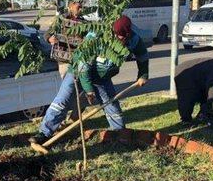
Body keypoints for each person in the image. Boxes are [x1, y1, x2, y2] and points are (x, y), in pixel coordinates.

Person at [30, 15, 148, 144]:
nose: (122, 40)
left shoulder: (134, 39)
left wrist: (143, 74)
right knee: (62, 101)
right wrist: (89, 91)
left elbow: (142, 55)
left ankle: (119, 134)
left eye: (125, 37)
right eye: (119, 37)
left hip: (102, 77)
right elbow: (83, 67)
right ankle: (43, 134)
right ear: (113, 32)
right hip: (77, 72)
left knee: (111, 105)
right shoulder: (96, 36)